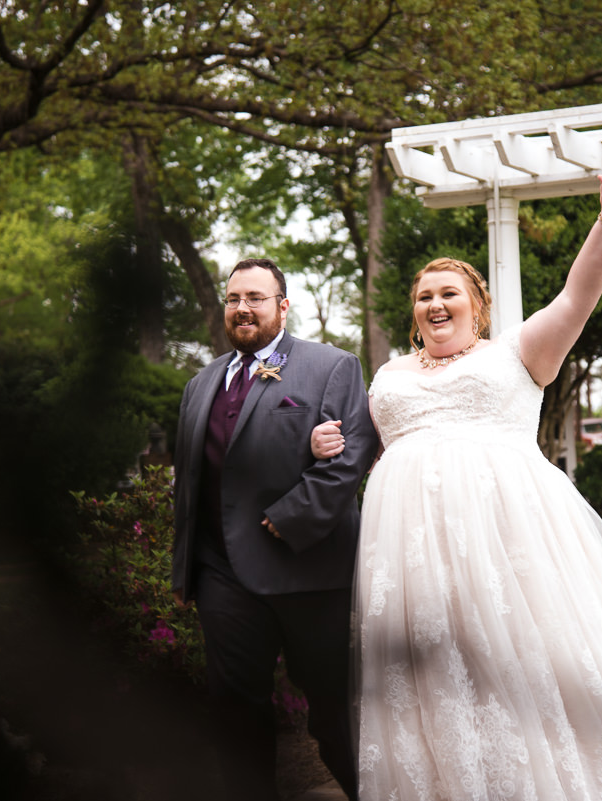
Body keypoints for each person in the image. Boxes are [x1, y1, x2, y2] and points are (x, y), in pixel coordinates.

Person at [312, 155, 602, 800]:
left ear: (477, 306)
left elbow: (576, 296)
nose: (434, 303)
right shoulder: (390, 374)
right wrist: (325, 442)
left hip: (508, 546)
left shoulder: (517, 353)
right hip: (412, 560)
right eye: (424, 296)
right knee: (434, 683)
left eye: (449, 292)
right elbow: (362, 450)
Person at [172, 258, 379, 801]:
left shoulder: (331, 366)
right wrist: (185, 567)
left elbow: (349, 456)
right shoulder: (199, 384)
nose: (243, 308)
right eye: (234, 298)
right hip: (222, 578)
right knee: (236, 715)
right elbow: (189, 485)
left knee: (335, 715)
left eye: (256, 298)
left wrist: (287, 521)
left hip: (306, 572)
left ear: (282, 306)